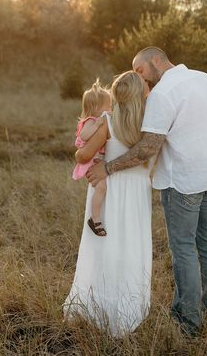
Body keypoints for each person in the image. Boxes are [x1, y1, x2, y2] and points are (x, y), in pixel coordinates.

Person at [86, 47, 207, 336]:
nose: (140, 79)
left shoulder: (163, 93)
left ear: (156, 61)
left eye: (140, 71)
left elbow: (148, 148)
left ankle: (187, 322)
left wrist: (108, 167)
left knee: (184, 249)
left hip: (184, 181)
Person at [64, 71, 154, 337]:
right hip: (137, 192)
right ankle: (129, 309)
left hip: (110, 188)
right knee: (131, 244)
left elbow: (84, 156)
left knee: (104, 244)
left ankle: (98, 306)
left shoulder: (108, 122)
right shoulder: (151, 123)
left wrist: (81, 147)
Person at [72, 80, 111, 236]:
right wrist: (97, 124)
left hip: (96, 158)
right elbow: (84, 135)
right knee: (101, 188)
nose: (110, 108)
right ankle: (95, 219)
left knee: (101, 188)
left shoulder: (98, 119)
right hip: (90, 160)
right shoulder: (90, 121)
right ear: (96, 108)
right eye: (107, 106)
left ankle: (96, 216)